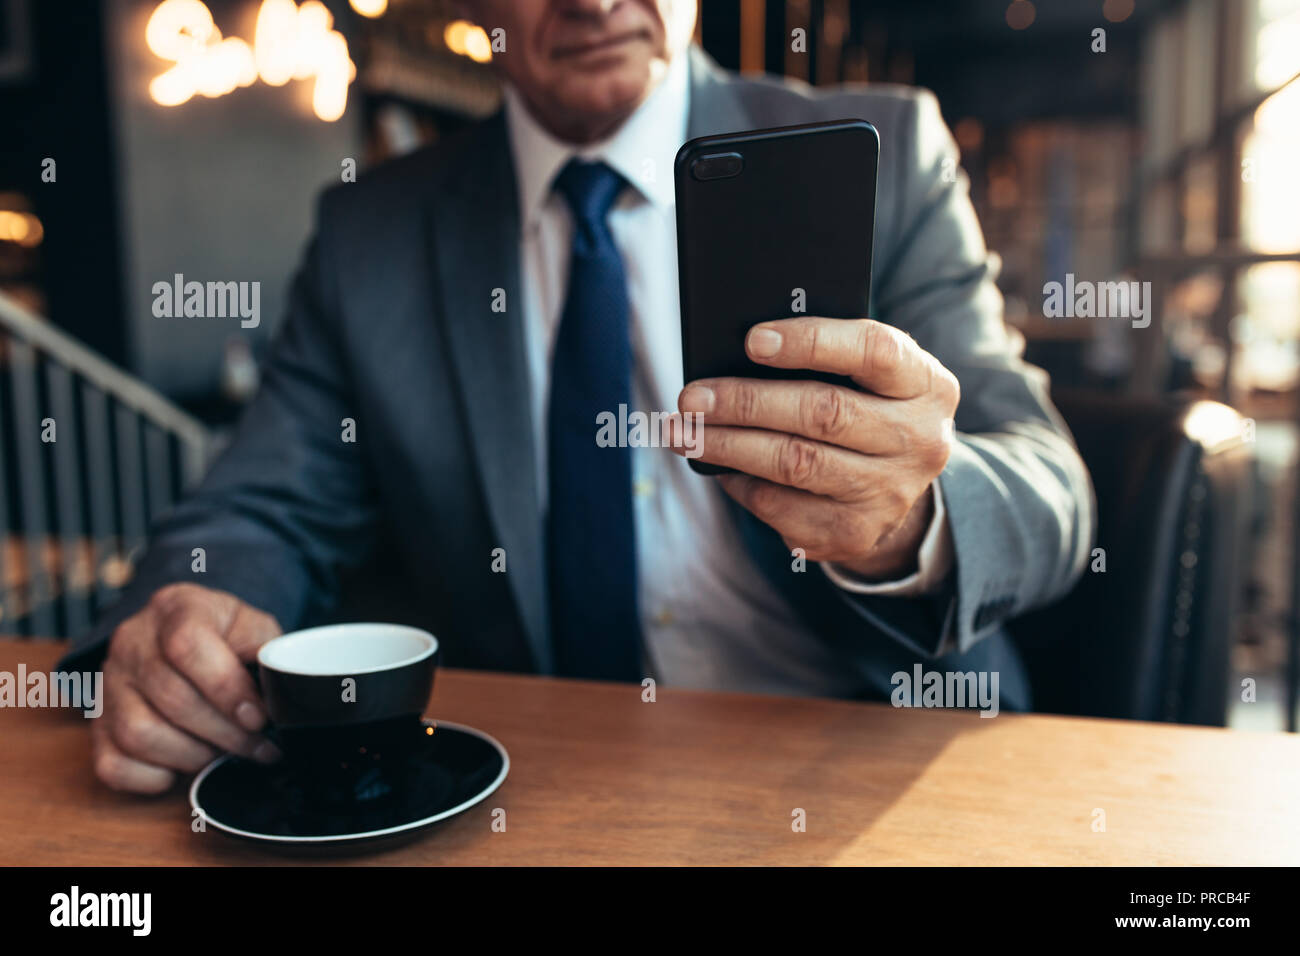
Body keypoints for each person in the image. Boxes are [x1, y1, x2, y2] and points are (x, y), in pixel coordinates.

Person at [67, 0, 1094, 793]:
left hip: (867, 753)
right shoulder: (369, 237)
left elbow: (1049, 487)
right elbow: (258, 505)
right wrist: (183, 616)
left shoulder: (885, 154)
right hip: (530, 784)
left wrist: (913, 517)